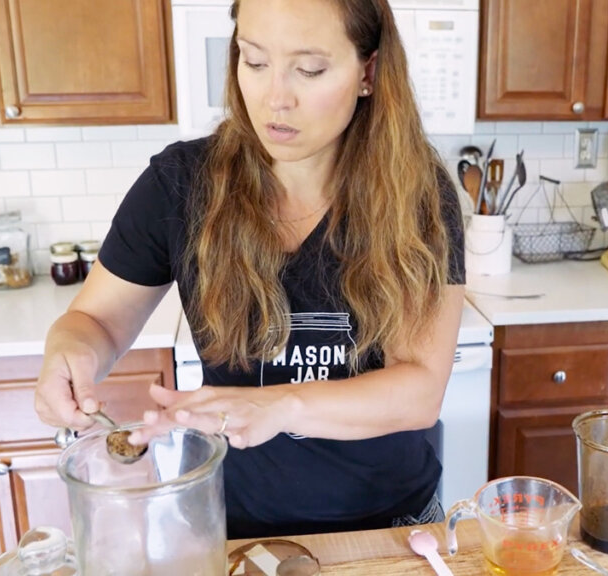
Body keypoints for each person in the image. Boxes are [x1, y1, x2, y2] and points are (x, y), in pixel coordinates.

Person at [34, 0, 465, 539]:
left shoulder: (416, 193)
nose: (274, 97)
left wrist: (278, 405)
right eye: (254, 61)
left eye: (309, 70)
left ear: (369, 73)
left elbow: (419, 391)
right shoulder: (181, 183)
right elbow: (95, 321)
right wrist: (69, 350)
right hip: (236, 524)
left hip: (393, 527)